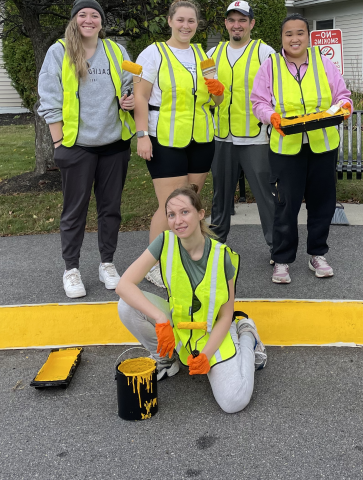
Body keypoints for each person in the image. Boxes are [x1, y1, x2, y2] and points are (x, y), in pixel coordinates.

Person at [116, 185, 267, 414]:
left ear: (200, 213)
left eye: (185, 212)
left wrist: (205, 355)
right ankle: (166, 360)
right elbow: (124, 285)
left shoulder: (222, 256)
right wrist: (160, 319)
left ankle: (247, 335)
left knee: (234, 401)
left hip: (212, 332)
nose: (178, 221)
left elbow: (226, 315)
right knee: (127, 305)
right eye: (171, 215)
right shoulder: (164, 242)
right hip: (179, 326)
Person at [38, 0, 135, 298]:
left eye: (95, 16)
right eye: (83, 15)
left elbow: (131, 84)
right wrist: (58, 143)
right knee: (74, 211)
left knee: (110, 210)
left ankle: (107, 264)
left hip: (114, 145)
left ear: (102, 23)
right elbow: (49, 98)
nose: (89, 20)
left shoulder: (117, 51)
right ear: (74, 20)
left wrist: (128, 99)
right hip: (77, 146)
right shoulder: (59, 52)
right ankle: (71, 269)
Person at [251, 14, 352, 284]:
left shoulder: (324, 62)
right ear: (281, 38)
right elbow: (258, 101)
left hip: (323, 145)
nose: (294, 38)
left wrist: (345, 107)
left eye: (300, 33)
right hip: (286, 147)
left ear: (308, 37)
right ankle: (282, 259)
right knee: (286, 204)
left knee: (322, 203)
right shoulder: (270, 65)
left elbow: (342, 95)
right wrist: (270, 116)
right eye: (288, 34)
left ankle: (318, 254)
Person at [134, 0, 225, 289]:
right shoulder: (154, 53)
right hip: (165, 140)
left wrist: (219, 92)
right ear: (170, 21)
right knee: (169, 206)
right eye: (181, 20)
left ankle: (186, 259)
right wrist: (141, 134)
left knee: (189, 205)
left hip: (201, 139)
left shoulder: (203, 55)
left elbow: (217, 99)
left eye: (192, 21)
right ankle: (153, 266)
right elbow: (140, 97)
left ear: (198, 25)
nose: (186, 26)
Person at [207, 0, 275, 256]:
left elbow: (275, 90)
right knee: (220, 197)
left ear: (251, 23)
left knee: (266, 195)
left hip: (255, 136)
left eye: (242, 20)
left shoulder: (264, 52)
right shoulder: (213, 54)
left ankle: (277, 247)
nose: (237, 25)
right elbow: (209, 95)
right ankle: (215, 246)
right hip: (222, 135)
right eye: (232, 20)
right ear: (225, 23)